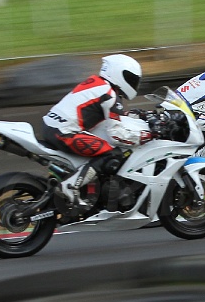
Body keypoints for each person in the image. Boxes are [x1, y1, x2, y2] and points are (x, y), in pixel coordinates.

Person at [42, 53, 158, 207]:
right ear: (119, 73)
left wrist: (138, 114)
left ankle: (86, 189)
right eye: (131, 78)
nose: (134, 83)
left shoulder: (97, 84)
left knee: (99, 146)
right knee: (112, 154)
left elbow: (107, 115)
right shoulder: (109, 94)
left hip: (52, 127)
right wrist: (147, 135)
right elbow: (116, 134)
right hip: (65, 133)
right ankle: (71, 186)